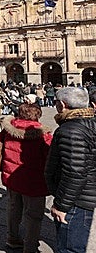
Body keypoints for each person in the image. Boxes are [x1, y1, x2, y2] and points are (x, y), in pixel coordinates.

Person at [45, 86, 96, 253]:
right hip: (86, 193)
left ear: (62, 104)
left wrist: (61, 205)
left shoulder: (71, 130)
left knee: (69, 248)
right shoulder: (90, 123)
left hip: (76, 200)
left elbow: (75, 173)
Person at [0, 103, 53, 252]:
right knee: (33, 216)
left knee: (13, 209)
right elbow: (51, 156)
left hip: (12, 179)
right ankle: (30, 247)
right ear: (37, 115)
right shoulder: (43, 135)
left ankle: (12, 238)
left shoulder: (8, 130)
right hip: (34, 182)